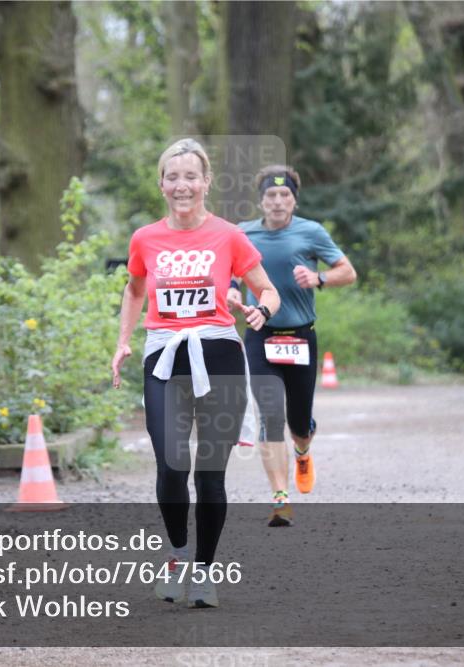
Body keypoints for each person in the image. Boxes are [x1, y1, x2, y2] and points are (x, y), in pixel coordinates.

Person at [111, 139, 280, 608]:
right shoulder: (145, 238)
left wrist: (261, 311)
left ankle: (205, 571)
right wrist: (123, 340)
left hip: (220, 356)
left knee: (209, 474)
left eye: (190, 176)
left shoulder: (228, 235)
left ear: (206, 182)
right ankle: (177, 555)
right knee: (170, 464)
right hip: (165, 356)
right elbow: (134, 290)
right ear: (162, 184)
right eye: (172, 176)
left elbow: (267, 290)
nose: (181, 185)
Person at [229, 165, 356, 527]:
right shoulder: (244, 233)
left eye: (285, 195)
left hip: (300, 336)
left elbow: (348, 271)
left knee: (299, 421)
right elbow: (229, 271)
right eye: (271, 195)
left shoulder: (311, 232)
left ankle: (302, 450)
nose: (278, 201)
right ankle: (280, 499)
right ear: (261, 201)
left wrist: (319, 278)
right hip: (260, 334)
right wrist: (233, 288)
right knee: (270, 415)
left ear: (294, 200)